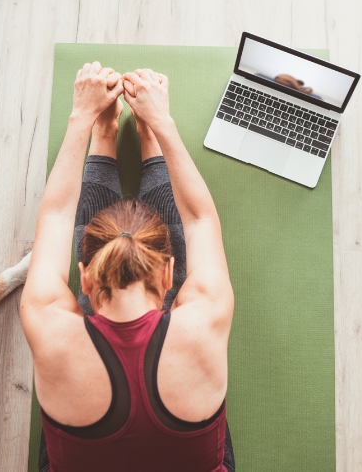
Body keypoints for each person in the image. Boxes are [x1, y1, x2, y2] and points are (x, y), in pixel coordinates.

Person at [20, 62, 236, 472]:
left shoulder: (51, 328)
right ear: (170, 277)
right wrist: (162, 123)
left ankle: (105, 135)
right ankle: (148, 137)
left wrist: (83, 119)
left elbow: (56, 218)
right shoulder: (204, 317)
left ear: (83, 278)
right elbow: (199, 220)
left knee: (115, 283)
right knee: (174, 271)